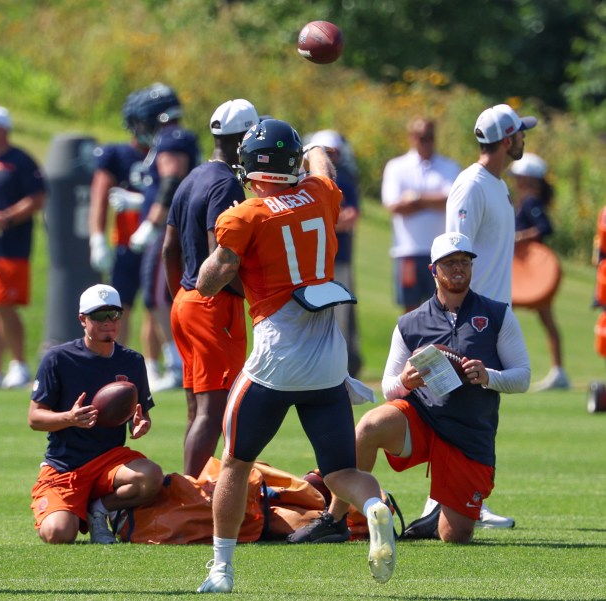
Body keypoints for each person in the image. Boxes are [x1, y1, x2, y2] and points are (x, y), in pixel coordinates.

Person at [194, 119, 395, 593]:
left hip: (277, 357)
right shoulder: (321, 194)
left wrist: (228, 246)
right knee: (341, 471)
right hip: (329, 357)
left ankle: (221, 571)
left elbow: (208, 281)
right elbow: (323, 165)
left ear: (251, 166)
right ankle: (372, 507)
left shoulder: (245, 216)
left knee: (235, 465)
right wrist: (317, 146)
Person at [288, 232, 530, 544]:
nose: (459, 268)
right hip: (423, 421)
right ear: (433, 270)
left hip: (469, 435)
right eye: (450, 263)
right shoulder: (410, 323)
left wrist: (489, 377)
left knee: (454, 536)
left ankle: (436, 517)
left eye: (464, 261)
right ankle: (337, 518)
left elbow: (522, 376)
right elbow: (389, 387)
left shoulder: (497, 314)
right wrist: (405, 382)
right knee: (369, 426)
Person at [444, 103, 537, 528]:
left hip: (493, 315)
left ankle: (465, 501)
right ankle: (453, 504)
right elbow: (454, 253)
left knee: (481, 414)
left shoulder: (496, 185)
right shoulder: (472, 186)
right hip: (472, 315)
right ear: (506, 140)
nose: (524, 139)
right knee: (466, 415)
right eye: (520, 134)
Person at [162, 98, 259, 477]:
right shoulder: (226, 183)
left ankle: (189, 486)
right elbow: (218, 256)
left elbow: (169, 248)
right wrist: (251, 294)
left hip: (185, 302)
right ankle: (191, 499)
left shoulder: (192, 176)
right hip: (213, 306)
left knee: (196, 409)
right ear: (243, 138)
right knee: (213, 411)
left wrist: (181, 300)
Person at [28, 284, 163, 544]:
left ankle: (99, 509)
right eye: (100, 316)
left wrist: (141, 425)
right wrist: (69, 418)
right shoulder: (57, 359)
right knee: (58, 534)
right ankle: (67, 507)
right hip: (65, 465)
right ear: (82, 319)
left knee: (151, 476)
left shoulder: (132, 361)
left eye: (115, 315)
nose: (109, 322)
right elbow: (34, 418)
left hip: (109, 461)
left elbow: (141, 415)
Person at [113, 82, 202, 392]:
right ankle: (175, 362)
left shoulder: (171, 139)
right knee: (157, 297)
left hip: (168, 229)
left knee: (158, 296)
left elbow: (171, 182)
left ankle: (178, 364)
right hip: (169, 225)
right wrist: (140, 204)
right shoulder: (170, 140)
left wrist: (150, 223)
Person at [88, 90, 164, 388]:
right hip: (125, 244)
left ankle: (153, 366)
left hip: (157, 244)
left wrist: (138, 200)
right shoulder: (117, 155)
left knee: (154, 306)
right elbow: (100, 196)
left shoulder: (166, 154)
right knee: (120, 309)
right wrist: (97, 237)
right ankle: (115, 363)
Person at [0, 104, 47, 389]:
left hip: (10, 245)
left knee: (4, 305)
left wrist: (7, 218)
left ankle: (19, 364)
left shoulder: (20, 160)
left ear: (4, 129)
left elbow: (37, 198)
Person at [381, 117, 461, 312]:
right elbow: (395, 206)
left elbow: (451, 201)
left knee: (444, 307)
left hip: (441, 252)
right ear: (412, 137)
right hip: (408, 250)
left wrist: (416, 199)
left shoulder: (449, 167)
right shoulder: (397, 167)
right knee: (411, 311)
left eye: (429, 137)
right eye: (421, 137)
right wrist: (432, 202)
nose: (425, 141)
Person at [511, 153, 569, 391]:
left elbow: (545, 227)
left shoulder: (530, 201)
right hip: (523, 270)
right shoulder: (526, 200)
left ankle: (558, 371)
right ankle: (558, 370)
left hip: (531, 270)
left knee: (502, 314)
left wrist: (518, 238)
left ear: (528, 179)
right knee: (506, 315)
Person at [307, 129, 362, 377]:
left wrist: (325, 219)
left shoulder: (347, 181)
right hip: (315, 262)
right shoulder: (308, 182)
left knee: (340, 319)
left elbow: (349, 218)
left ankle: (338, 371)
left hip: (340, 258)